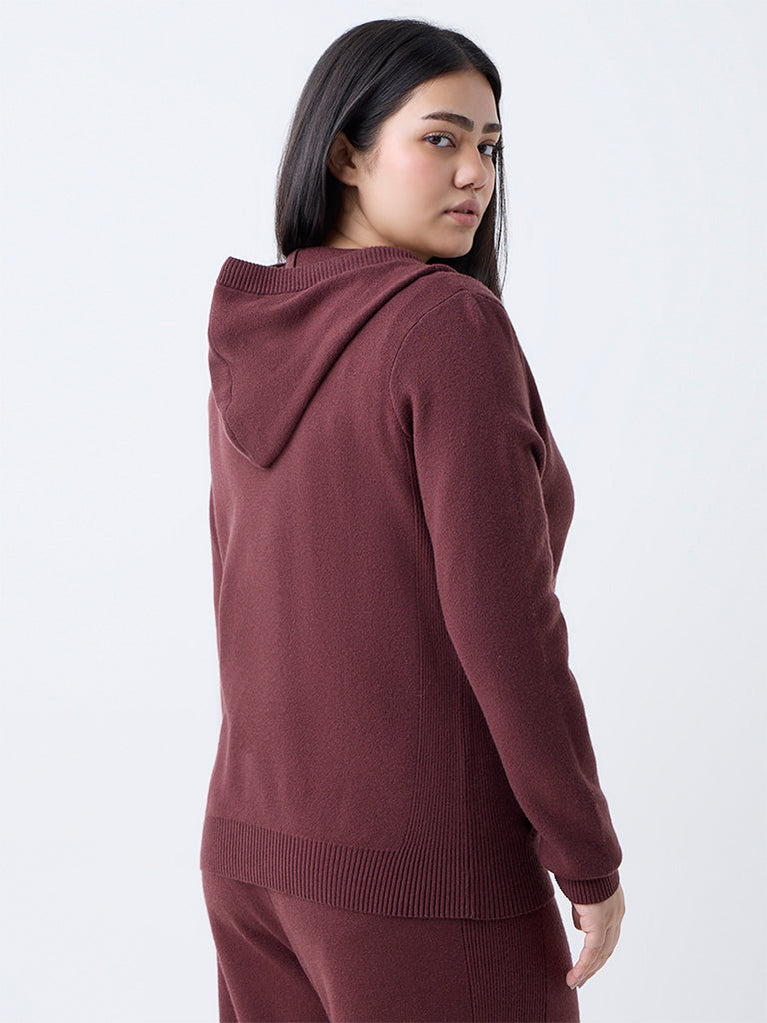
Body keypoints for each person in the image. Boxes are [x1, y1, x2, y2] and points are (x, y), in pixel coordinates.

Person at [200, 17, 625, 1023]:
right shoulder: (444, 322)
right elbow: (504, 624)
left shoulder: (258, 328)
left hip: (251, 855)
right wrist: (585, 853)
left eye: (489, 146)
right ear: (346, 153)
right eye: (440, 138)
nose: (476, 174)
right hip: (421, 874)